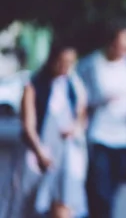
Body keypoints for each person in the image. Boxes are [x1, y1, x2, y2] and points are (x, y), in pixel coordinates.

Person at [76, 21, 126, 218]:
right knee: (99, 188)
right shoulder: (91, 64)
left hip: (123, 137)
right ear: (111, 42)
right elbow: (79, 96)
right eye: (121, 45)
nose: (125, 50)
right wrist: (99, 100)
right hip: (98, 135)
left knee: (112, 188)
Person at [20, 42, 88, 218]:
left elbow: (82, 114)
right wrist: (40, 153)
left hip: (67, 154)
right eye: (62, 62)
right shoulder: (34, 85)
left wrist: (74, 128)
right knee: (34, 205)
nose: (65, 67)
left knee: (64, 202)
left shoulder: (73, 84)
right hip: (40, 154)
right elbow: (28, 125)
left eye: (70, 63)